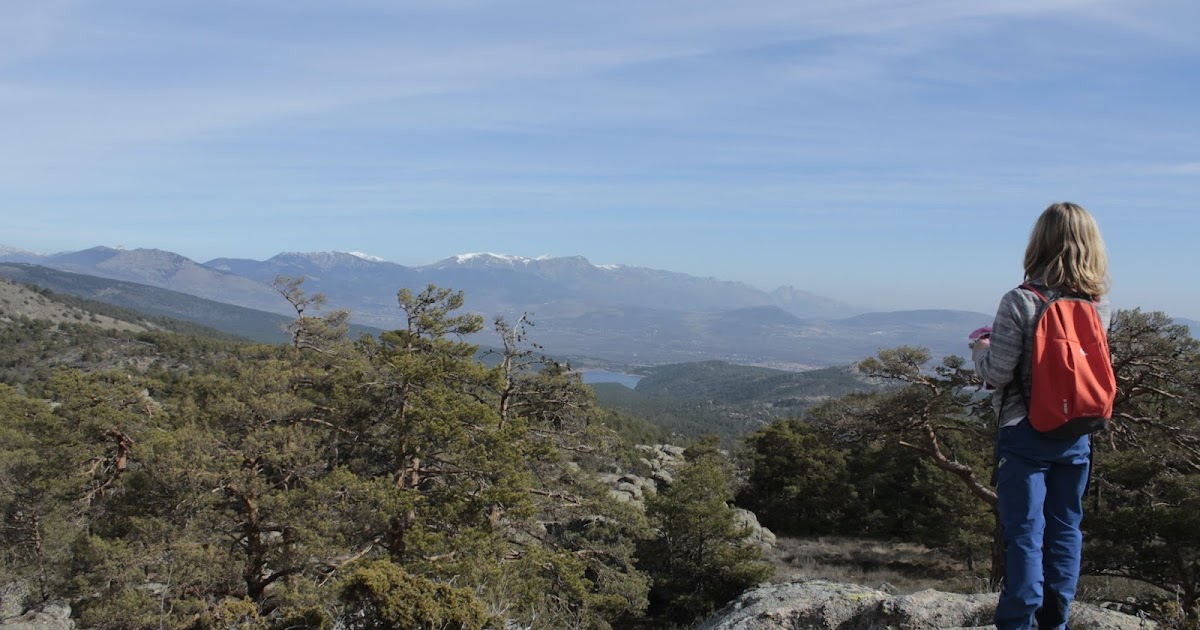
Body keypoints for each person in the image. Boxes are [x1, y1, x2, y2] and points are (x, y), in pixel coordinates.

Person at [970, 202, 1111, 630]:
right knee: (1066, 529)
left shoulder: (1020, 300)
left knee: (1025, 534)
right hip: (1076, 434)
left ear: (1039, 242)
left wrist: (980, 347)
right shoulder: (1098, 304)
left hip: (1025, 431)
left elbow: (997, 374)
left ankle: (1017, 621)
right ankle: (1057, 621)